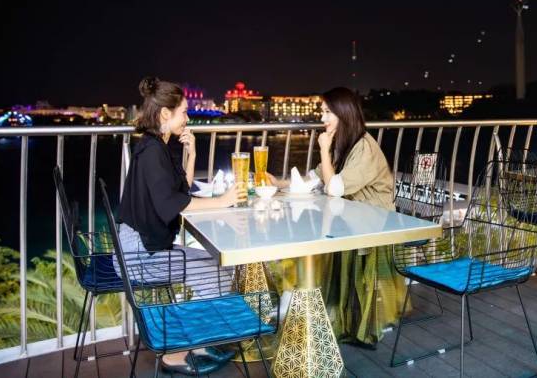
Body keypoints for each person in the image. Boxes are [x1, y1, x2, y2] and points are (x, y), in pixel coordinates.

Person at [116, 77, 247, 375]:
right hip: (140, 255)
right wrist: (223, 201)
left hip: (144, 246)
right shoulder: (152, 151)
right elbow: (170, 205)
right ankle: (175, 353)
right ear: (166, 113)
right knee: (214, 271)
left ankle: (195, 342)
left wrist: (193, 154)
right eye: (184, 112)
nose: (188, 118)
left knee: (216, 265)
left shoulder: (158, 145)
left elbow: (180, 192)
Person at [269, 87, 405, 347]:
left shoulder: (363, 147)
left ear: (343, 113)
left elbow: (334, 188)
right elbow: (316, 176)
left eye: (327, 112)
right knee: (310, 234)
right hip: (350, 218)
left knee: (311, 237)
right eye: (322, 112)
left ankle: (302, 304)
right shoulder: (345, 143)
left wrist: (323, 148)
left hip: (373, 222)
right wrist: (279, 183)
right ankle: (302, 304)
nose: (323, 118)